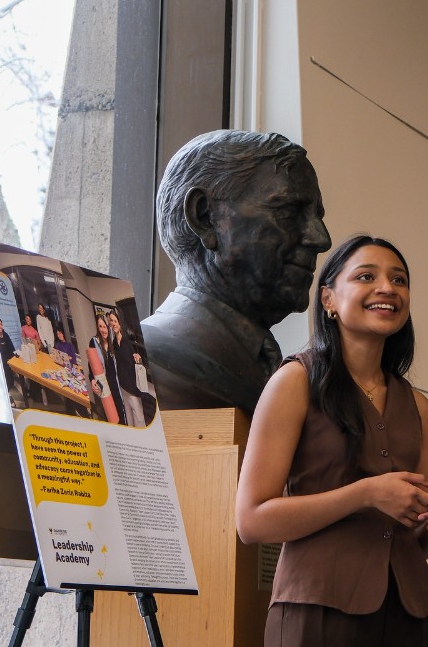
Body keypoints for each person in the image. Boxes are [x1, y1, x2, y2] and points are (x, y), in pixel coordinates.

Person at [235, 235, 428, 647]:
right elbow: (252, 519)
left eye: (399, 280)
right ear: (328, 299)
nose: (388, 288)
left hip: (410, 614)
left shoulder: (418, 405)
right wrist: (364, 494)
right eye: (367, 276)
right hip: (318, 613)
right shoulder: (294, 381)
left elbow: (419, 542)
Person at [141, 130, 332, 414]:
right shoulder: (142, 361)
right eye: (289, 212)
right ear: (205, 217)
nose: (321, 239)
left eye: (317, 216)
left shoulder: (280, 372)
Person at [108, 311, 147, 427]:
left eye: (115, 321)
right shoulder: (113, 344)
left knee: (139, 418)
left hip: (132, 386)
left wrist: (137, 358)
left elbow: (136, 358)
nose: (113, 323)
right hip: (122, 386)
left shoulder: (127, 341)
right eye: (111, 321)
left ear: (119, 324)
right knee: (129, 418)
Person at [88, 315, 122, 424]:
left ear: (108, 327)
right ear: (98, 328)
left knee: (120, 415)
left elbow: (122, 357)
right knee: (109, 417)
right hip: (104, 386)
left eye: (105, 327)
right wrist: (92, 380)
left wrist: (134, 355)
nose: (103, 330)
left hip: (116, 386)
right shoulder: (93, 342)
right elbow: (91, 365)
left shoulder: (113, 340)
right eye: (100, 327)